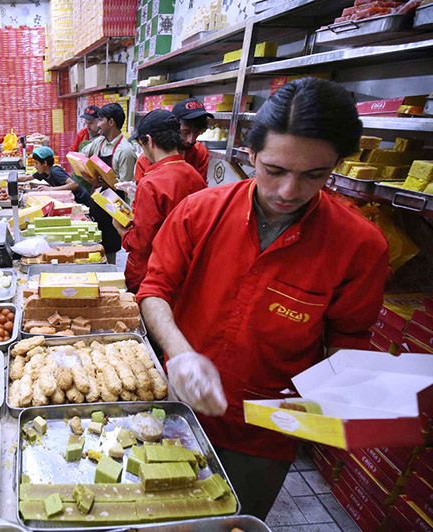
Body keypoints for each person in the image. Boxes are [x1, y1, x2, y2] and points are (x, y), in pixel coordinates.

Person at [137, 78, 390, 520]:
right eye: (274, 170)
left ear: (336, 166)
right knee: (157, 518)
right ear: (249, 154)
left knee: (235, 521)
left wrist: (344, 395)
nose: (289, 191)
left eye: (314, 175)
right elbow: (154, 290)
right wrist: (179, 354)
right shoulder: (200, 212)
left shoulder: (359, 245)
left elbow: (350, 333)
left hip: (265, 432)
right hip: (177, 406)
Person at [114, 110, 205, 293]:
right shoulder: (195, 176)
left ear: (149, 140)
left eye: (142, 144)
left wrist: (122, 231)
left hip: (150, 272)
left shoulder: (151, 183)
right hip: (182, 269)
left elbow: (142, 242)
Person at [79, 103, 137, 258]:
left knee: (108, 253)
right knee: (93, 248)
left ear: (111, 122)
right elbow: (82, 155)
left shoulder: (125, 151)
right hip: (95, 201)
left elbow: (125, 187)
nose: (98, 125)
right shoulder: (99, 142)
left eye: (100, 121)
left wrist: (102, 182)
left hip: (112, 209)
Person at [134, 98, 212, 183]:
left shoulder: (200, 153)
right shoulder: (147, 158)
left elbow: (200, 189)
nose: (190, 140)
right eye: (185, 132)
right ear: (173, 127)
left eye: (197, 132)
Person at [25, 146, 91, 206]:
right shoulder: (43, 172)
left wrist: (51, 189)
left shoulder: (55, 172)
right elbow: (25, 178)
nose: (35, 166)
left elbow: (74, 185)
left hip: (83, 202)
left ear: (45, 163)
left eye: (36, 163)